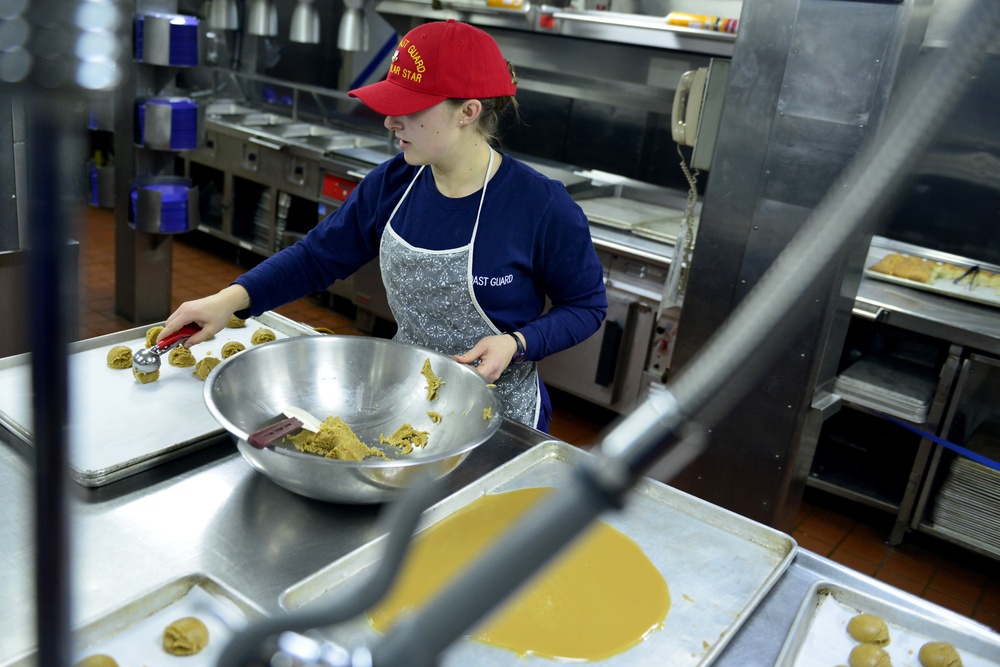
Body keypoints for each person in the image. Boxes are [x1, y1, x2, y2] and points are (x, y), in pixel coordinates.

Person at [158, 19, 607, 431]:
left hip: (501, 416)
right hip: (408, 400)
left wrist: (518, 342)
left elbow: (586, 306)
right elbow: (317, 257)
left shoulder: (540, 205)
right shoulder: (395, 182)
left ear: (467, 111)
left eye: (410, 109)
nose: (390, 121)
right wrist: (229, 300)